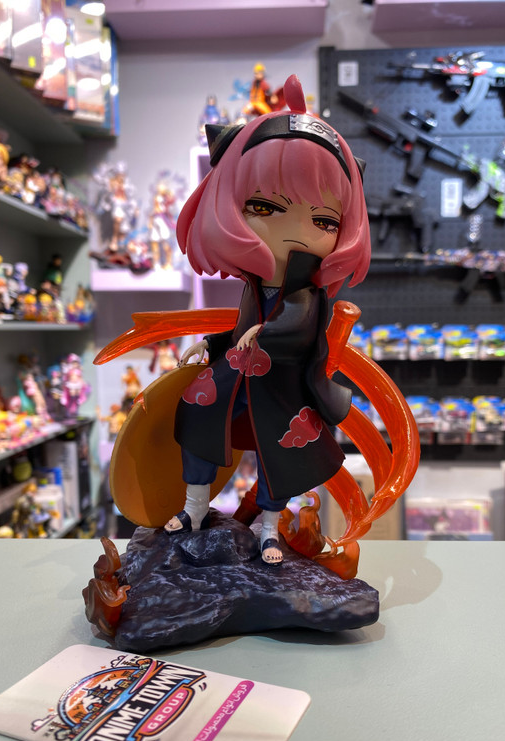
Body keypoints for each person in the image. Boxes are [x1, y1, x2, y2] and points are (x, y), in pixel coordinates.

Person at [165, 74, 370, 565]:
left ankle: (269, 527)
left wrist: (266, 332)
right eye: (263, 207)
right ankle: (195, 506)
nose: (297, 231)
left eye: (324, 220)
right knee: (194, 413)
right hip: (237, 377)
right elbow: (242, 330)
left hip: (283, 389)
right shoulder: (253, 286)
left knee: (280, 459)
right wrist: (213, 345)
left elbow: (299, 329)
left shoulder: (307, 293)